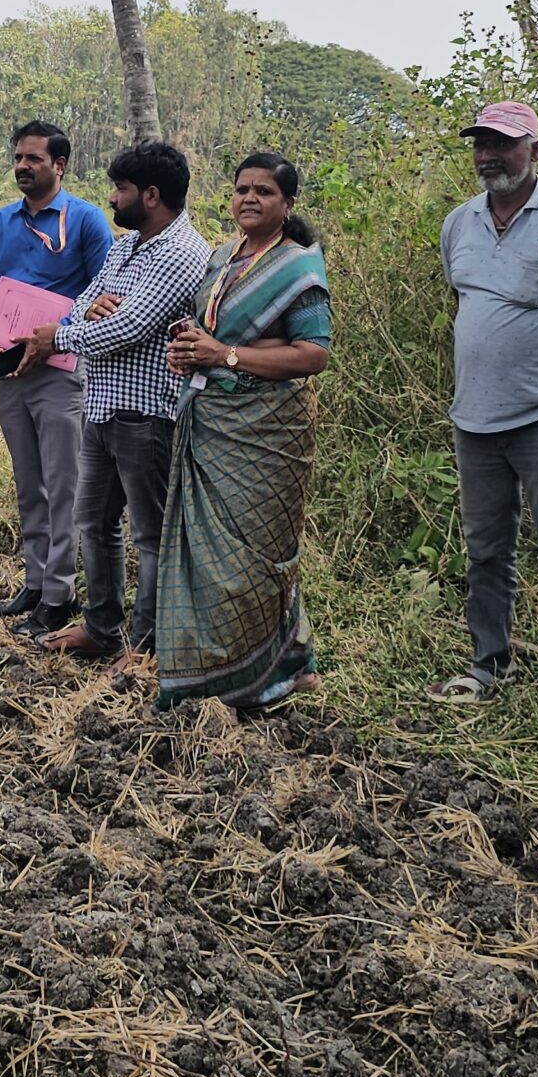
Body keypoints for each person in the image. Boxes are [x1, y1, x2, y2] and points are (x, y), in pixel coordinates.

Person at [428, 101, 538, 731]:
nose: (489, 155)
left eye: (503, 144)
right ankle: (487, 667)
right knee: (485, 551)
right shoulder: (459, 223)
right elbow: (464, 299)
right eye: (481, 143)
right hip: (474, 418)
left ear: (536, 149)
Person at [17, 141, 213, 658]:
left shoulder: (183, 253)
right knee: (94, 524)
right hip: (102, 405)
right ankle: (101, 629)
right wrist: (87, 316)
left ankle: (146, 646)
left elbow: (129, 326)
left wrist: (58, 337)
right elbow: (86, 302)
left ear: (150, 195)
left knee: (151, 535)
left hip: (147, 415)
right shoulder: (126, 247)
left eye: (121, 189)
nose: (112, 197)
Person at [157, 153, 333, 709]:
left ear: (287, 204)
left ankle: (271, 673)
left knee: (258, 557)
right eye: (241, 190)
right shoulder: (220, 257)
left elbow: (313, 354)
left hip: (269, 432)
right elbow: (212, 334)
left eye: (264, 191)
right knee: (207, 557)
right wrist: (190, 348)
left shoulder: (298, 268)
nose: (249, 199)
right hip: (212, 421)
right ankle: (218, 673)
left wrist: (225, 355)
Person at [0, 121, 114, 624]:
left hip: (61, 372)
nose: (22, 167)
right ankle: (34, 583)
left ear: (59, 165)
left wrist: (54, 332)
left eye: (33, 159)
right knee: (28, 481)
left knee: (62, 484)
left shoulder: (86, 221)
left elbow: (104, 294)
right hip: (12, 373)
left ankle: (59, 595)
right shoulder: (1, 223)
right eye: (17, 158)